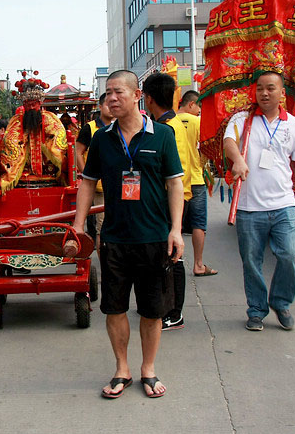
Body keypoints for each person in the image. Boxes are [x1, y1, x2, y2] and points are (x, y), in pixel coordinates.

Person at [73, 70, 184, 400]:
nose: (111, 98)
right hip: (115, 239)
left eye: (118, 92)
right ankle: (122, 368)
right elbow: (88, 183)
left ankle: (148, 369)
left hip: (154, 238)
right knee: (114, 308)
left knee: (152, 311)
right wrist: (79, 226)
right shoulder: (101, 139)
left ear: (138, 95)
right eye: (107, 93)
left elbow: (175, 182)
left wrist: (176, 230)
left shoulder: (162, 135)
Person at [223, 71, 295, 332]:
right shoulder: (243, 119)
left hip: (284, 204)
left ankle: (281, 301)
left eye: (270, 88)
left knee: (290, 254)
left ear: (281, 92)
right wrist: (238, 160)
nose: (264, 93)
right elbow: (229, 141)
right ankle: (256, 310)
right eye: (260, 88)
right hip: (249, 208)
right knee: (252, 262)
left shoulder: (293, 125)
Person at [141, 72, 189, 332]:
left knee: (174, 258)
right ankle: (171, 309)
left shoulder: (165, 129)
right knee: (172, 256)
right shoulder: (177, 122)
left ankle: (174, 312)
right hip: (180, 196)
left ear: (148, 99)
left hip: (172, 200)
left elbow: (171, 175)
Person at [0, 77, 68, 192]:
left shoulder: (50, 118)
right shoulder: (16, 121)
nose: (31, 108)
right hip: (23, 171)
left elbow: (58, 136)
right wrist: (23, 140)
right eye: (28, 104)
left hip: (48, 168)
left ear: (40, 103)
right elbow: (9, 140)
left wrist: (45, 140)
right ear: (23, 104)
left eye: (34, 104)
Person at [177, 90, 218, 278]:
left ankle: (173, 262)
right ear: (191, 104)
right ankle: (198, 264)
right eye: (198, 107)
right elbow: (207, 149)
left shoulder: (170, 122)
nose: (199, 111)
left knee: (174, 224)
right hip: (196, 180)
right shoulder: (199, 123)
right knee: (198, 224)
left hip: (175, 182)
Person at [75, 92, 113, 257]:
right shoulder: (90, 128)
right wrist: (87, 175)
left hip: (119, 185)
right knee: (101, 226)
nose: (111, 108)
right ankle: (105, 263)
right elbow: (77, 152)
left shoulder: (121, 125)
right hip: (99, 187)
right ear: (100, 106)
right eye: (107, 105)